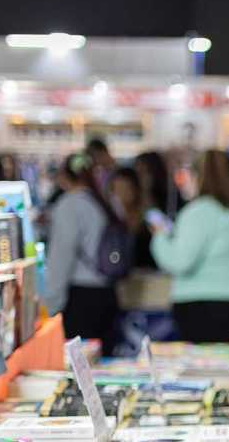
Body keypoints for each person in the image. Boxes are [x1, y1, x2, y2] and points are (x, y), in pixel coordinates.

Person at [150, 149, 229, 343]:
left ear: (198, 177)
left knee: (203, 362)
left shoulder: (198, 211)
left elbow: (180, 262)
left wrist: (159, 237)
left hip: (200, 306)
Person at [43, 152, 120, 353]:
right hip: (108, 293)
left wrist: (51, 305)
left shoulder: (69, 205)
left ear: (64, 177)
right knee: (103, 359)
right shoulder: (107, 202)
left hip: (80, 299)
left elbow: (61, 258)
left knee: (81, 362)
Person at [109, 167, 157, 270]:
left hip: (148, 272)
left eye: (126, 188)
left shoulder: (150, 214)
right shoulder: (112, 217)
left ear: (136, 189)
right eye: (117, 189)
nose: (121, 194)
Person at [134, 151, 177, 218]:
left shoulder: (169, 194)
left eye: (145, 172)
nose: (141, 177)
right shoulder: (134, 193)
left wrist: (146, 191)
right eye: (138, 173)